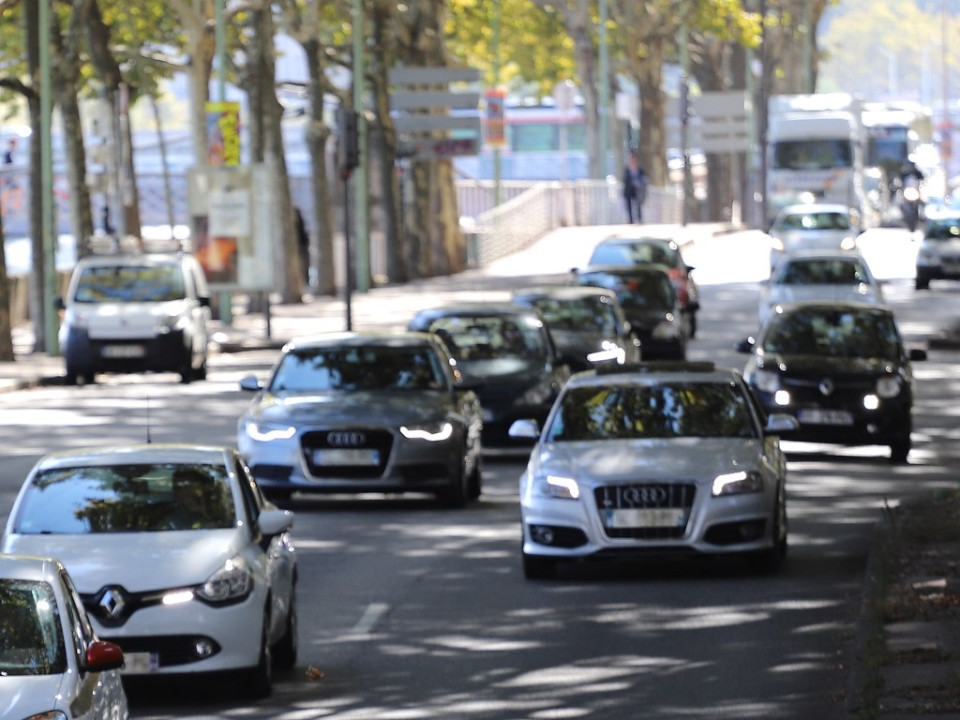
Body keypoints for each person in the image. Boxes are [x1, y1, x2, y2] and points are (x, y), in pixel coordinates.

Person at [622, 151, 648, 223]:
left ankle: (639, 219)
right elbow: (625, 181)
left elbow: (643, 179)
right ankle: (630, 220)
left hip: (637, 191)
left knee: (638, 205)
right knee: (629, 206)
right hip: (629, 191)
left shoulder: (640, 170)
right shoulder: (627, 170)